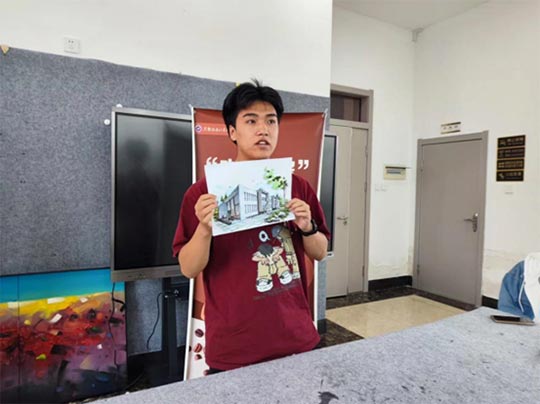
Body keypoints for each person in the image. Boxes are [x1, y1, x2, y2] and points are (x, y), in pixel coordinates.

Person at [172, 80, 330, 373]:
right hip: (234, 347)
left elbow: (320, 252)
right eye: (251, 120)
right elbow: (189, 268)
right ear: (232, 131)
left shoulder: (297, 187)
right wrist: (205, 229)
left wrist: (307, 226)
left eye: (271, 121)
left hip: (296, 336)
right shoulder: (202, 194)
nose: (263, 130)